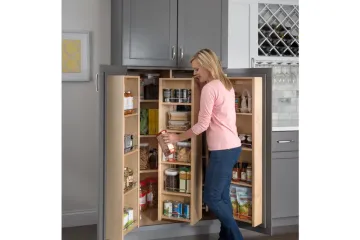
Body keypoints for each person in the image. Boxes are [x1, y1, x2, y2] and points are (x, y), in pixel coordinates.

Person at [163, 48, 243, 240]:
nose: (195, 73)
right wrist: (200, 88)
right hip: (233, 147)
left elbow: (202, 125)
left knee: (211, 198)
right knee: (222, 196)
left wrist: (176, 137)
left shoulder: (210, 88)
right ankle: (226, 237)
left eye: (197, 69)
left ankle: (237, 237)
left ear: (207, 66)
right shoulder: (225, 84)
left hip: (222, 150)